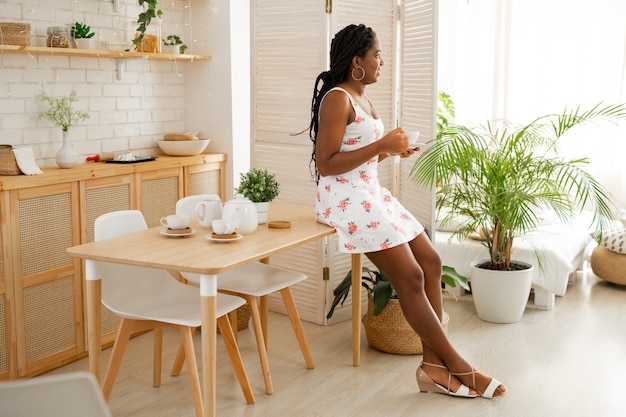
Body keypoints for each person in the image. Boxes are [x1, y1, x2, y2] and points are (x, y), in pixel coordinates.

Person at [307, 23, 506, 399]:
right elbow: (327, 163)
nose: (382, 61)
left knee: (430, 260)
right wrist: (381, 142)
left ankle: (432, 368)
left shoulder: (362, 98)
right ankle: (459, 366)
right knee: (411, 276)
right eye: (377, 54)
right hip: (343, 198)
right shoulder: (338, 98)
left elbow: (360, 156)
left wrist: (389, 152)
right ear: (357, 61)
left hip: (368, 190)